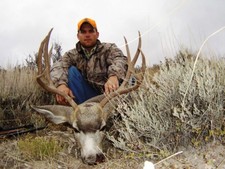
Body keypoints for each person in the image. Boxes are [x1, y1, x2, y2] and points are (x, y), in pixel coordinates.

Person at [50, 18, 128, 105]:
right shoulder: (71, 55)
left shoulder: (109, 49)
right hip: (87, 97)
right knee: (72, 71)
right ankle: (82, 112)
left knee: (132, 80)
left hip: (109, 96)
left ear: (97, 34)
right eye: (83, 32)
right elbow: (58, 66)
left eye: (91, 31)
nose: (87, 35)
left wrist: (114, 76)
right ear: (78, 36)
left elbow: (119, 59)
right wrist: (61, 85)